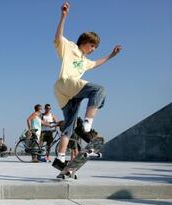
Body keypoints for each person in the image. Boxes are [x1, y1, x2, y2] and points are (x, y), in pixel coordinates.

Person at [52, 2, 122, 171]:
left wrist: (111, 56)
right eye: (92, 46)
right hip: (66, 83)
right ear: (85, 41)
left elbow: (97, 63)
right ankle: (87, 127)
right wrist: (63, 17)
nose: (93, 50)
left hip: (65, 94)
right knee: (99, 90)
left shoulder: (85, 61)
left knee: (68, 126)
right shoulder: (69, 47)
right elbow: (57, 38)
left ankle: (60, 159)